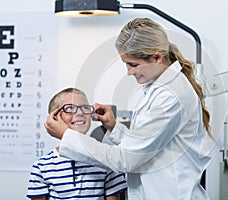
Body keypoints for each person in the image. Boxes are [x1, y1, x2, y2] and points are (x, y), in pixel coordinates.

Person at [45, 18, 212, 199]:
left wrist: (67, 136)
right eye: (126, 63)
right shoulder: (156, 89)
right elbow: (145, 144)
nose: (128, 71)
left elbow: (126, 160)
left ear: (157, 57)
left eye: (133, 64)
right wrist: (114, 127)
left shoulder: (170, 96)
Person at [27, 87, 127, 200]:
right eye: (70, 108)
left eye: (85, 107)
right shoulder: (42, 167)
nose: (80, 113)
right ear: (54, 118)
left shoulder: (107, 161)